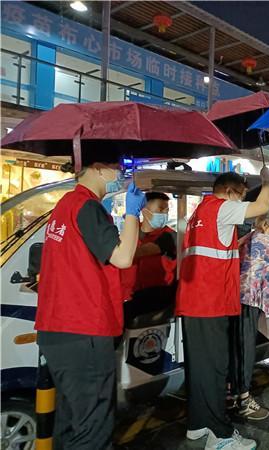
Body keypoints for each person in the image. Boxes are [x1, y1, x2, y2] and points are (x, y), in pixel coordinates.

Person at [35, 159, 146, 450]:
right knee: (92, 429)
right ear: (97, 168)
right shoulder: (87, 206)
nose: (120, 173)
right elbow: (123, 257)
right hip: (83, 329)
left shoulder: (64, 205)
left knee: (71, 422)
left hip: (57, 330)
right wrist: (132, 214)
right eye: (116, 167)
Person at [176, 168, 269, 450]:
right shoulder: (222, 207)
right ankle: (220, 435)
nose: (242, 200)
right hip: (211, 303)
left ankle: (198, 424)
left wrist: (243, 239)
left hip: (193, 303)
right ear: (230, 192)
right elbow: (262, 206)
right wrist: (267, 181)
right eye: (241, 195)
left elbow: (215, 250)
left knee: (200, 368)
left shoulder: (199, 213)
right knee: (217, 369)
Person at [229, 209, 269, 420]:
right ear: (266, 226)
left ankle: (231, 392)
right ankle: (244, 398)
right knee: (246, 349)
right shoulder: (267, 243)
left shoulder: (244, 239)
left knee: (234, 347)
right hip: (250, 301)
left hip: (233, 299)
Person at [121, 192, 177, 316]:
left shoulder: (170, 236)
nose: (164, 214)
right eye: (160, 209)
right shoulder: (131, 232)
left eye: (167, 210)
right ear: (145, 211)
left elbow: (143, 251)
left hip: (157, 296)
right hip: (128, 294)